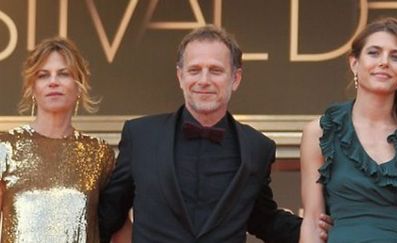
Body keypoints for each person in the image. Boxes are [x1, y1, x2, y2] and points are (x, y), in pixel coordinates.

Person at [98, 25, 331, 243]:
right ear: (181, 77)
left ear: (235, 79)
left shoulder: (257, 148)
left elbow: (262, 218)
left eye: (216, 71)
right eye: (194, 70)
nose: (204, 80)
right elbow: (110, 213)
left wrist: (319, 228)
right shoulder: (141, 137)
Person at [300, 17, 397, 242]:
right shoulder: (320, 133)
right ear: (354, 63)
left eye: (396, 57)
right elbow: (312, 222)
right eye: (374, 53)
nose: (384, 62)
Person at [0, 37, 115, 242]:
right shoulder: (5, 147)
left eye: (64, 74)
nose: (53, 81)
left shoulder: (99, 154)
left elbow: (118, 228)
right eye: (43, 75)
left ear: (79, 86)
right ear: (32, 88)